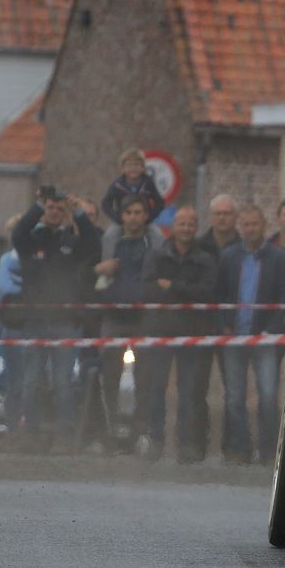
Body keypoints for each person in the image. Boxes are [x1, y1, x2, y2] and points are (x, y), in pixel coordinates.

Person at [12, 187, 100, 452]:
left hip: (64, 321)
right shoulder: (31, 240)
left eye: (59, 209)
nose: (54, 212)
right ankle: (31, 436)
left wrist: (79, 213)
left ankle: (64, 438)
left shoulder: (72, 243)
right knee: (31, 381)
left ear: (65, 215)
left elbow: (94, 246)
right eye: (50, 208)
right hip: (35, 321)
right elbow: (17, 233)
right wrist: (38, 205)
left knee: (63, 382)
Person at [216, 205, 285, 464]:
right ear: (241, 226)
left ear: (264, 225)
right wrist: (226, 324)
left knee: (268, 396)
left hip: (266, 337)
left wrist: (270, 329)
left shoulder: (279, 257)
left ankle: (269, 450)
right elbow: (222, 293)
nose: (250, 229)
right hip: (235, 335)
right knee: (235, 396)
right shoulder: (229, 256)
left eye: (255, 224)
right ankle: (241, 449)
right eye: (246, 224)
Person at [140, 206, 216, 463]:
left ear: (196, 228)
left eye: (190, 224)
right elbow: (148, 290)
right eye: (181, 223)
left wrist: (172, 286)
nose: (186, 228)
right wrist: (185, 291)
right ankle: (155, 440)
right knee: (155, 389)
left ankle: (187, 445)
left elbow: (206, 292)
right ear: (173, 227)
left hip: (191, 333)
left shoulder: (205, 259)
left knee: (189, 391)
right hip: (160, 331)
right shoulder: (157, 255)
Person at [93, 194, 161, 453]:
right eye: (128, 212)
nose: (133, 217)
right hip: (113, 315)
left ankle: (139, 432)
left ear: (145, 215)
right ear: (122, 216)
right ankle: (109, 431)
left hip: (144, 317)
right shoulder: (111, 241)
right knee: (108, 377)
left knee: (145, 379)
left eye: (138, 212)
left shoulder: (153, 241)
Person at [0, 213, 26, 431]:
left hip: (33, 327)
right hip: (12, 326)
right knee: (14, 381)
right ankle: (12, 426)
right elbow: (5, 287)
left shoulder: (38, 258)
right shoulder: (7, 260)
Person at [101, 147, 165, 225]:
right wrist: (117, 218)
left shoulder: (148, 183)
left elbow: (160, 202)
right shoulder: (117, 185)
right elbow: (105, 203)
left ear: (143, 168)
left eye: (137, 165)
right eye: (129, 165)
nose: (133, 168)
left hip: (144, 222)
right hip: (123, 222)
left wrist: (149, 217)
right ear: (123, 168)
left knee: (157, 236)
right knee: (110, 236)